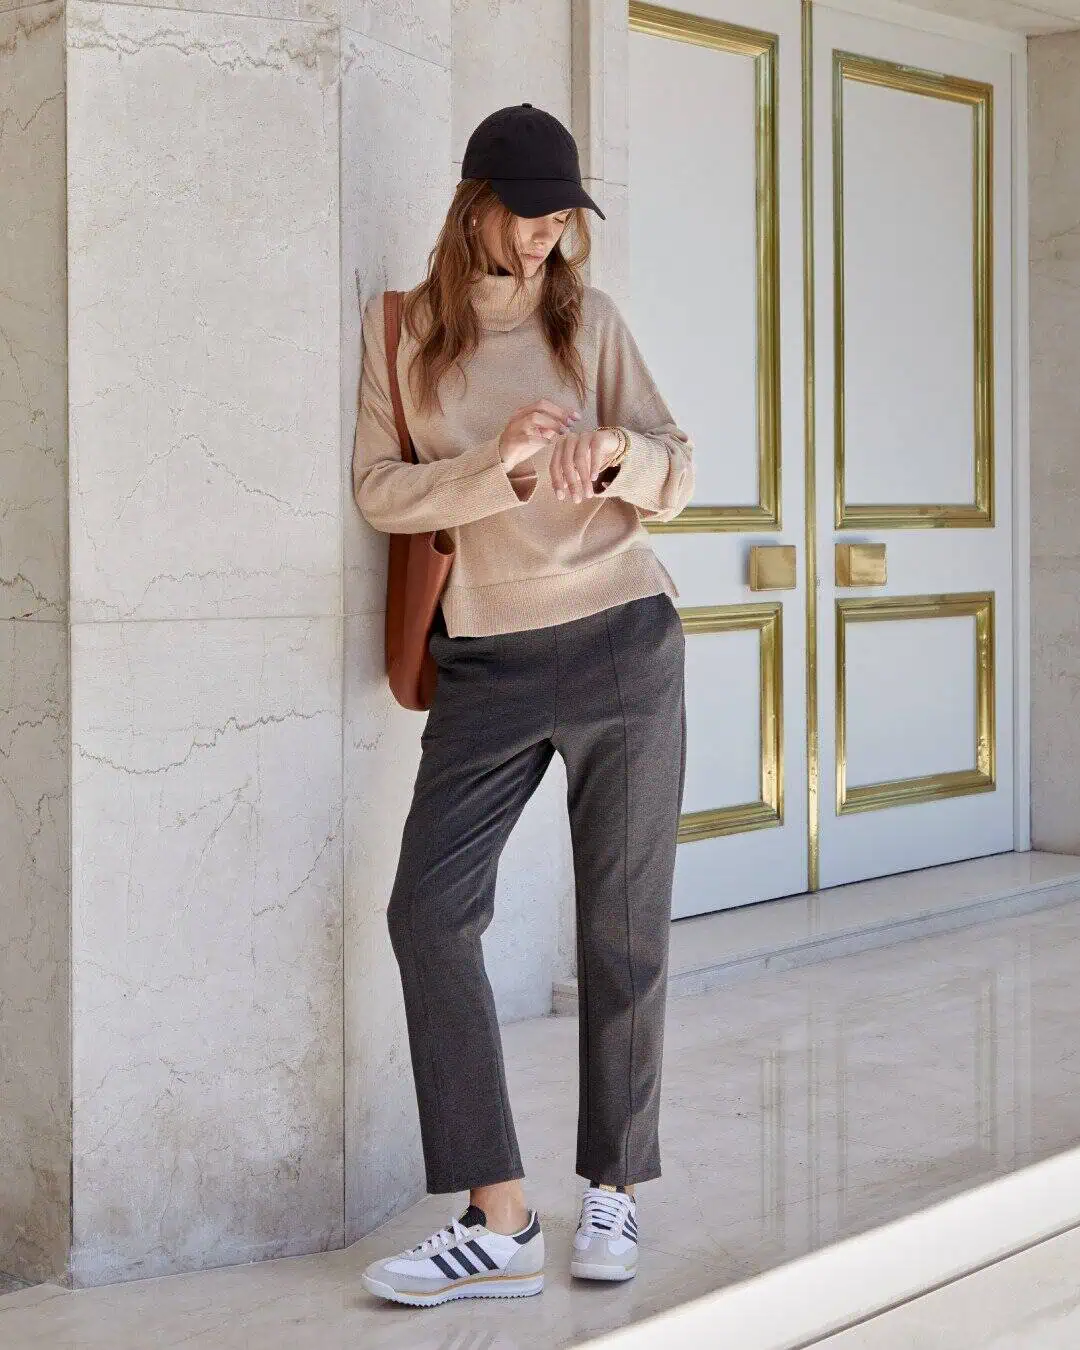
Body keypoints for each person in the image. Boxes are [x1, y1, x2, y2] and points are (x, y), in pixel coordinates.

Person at [352, 103, 694, 1309]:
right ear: (476, 204)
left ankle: (615, 1186)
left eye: (563, 218)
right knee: (428, 915)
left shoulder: (588, 322)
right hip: (487, 660)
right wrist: (495, 464)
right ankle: (498, 1218)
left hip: (622, 638)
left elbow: (678, 467)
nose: (549, 235)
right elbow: (381, 494)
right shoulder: (405, 333)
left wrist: (612, 456)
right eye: (530, 214)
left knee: (622, 930)